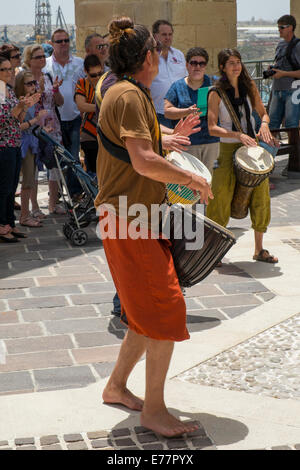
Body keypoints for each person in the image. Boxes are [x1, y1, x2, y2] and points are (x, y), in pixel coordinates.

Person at [95, 16, 212, 437]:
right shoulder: (127, 95)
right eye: (158, 53)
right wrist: (193, 178)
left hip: (134, 216)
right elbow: (142, 159)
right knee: (165, 310)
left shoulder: (123, 88)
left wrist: (168, 138)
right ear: (147, 57)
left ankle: (116, 387)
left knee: (143, 315)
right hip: (129, 219)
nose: (162, 59)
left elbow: (137, 141)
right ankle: (155, 411)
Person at [206, 48, 278, 264]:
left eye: (238, 62)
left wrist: (264, 125)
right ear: (222, 67)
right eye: (231, 63)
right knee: (220, 195)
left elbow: (263, 113)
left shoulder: (249, 87)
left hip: (251, 147)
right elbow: (211, 128)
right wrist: (237, 134)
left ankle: (259, 249)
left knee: (261, 195)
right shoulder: (215, 92)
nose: (236, 66)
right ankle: (213, 251)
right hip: (227, 148)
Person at [0, 55, 40, 243]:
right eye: (5, 69)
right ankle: (2, 226)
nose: (9, 73)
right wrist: (20, 108)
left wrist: (25, 106)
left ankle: (10, 223)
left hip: (14, 143)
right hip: (4, 145)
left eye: (10, 69)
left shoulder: (7, 90)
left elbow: (18, 119)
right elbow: (3, 120)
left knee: (10, 187)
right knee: (4, 187)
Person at [22, 44, 65, 215]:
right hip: (34, 127)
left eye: (43, 56)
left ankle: (53, 203)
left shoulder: (48, 76)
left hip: (52, 125)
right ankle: (35, 206)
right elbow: (24, 104)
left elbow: (59, 102)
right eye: (38, 57)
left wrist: (55, 90)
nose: (42, 60)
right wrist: (38, 90)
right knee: (32, 167)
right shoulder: (24, 78)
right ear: (29, 60)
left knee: (55, 166)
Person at [43, 28, 85, 199]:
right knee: (54, 160)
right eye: (59, 41)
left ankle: (74, 193)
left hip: (74, 117)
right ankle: (56, 194)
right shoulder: (45, 64)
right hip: (53, 120)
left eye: (66, 40)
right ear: (52, 44)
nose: (63, 44)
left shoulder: (80, 63)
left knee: (73, 157)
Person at [164, 47, 219, 174]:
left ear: (205, 66)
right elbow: (167, 111)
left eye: (201, 63)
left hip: (211, 142)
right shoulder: (177, 86)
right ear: (187, 65)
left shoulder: (214, 83)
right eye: (193, 63)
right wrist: (187, 111)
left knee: (209, 181)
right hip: (187, 143)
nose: (197, 67)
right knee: (190, 184)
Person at [14, 70, 50, 227]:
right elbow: (17, 126)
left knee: (30, 178)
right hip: (23, 143)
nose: (33, 86)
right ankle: (24, 216)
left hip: (32, 141)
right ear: (21, 85)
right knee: (27, 180)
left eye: (33, 83)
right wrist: (36, 119)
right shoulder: (20, 101)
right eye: (29, 83)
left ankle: (26, 213)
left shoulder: (31, 100)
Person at [150, 19, 187, 127]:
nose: (168, 37)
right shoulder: (150, 57)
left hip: (178, 111)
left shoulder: (179, 54)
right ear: (155, 36)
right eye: (164, 34)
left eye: (170, 34)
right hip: (158, 111)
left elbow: (185, 79)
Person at [268, 15, 300, 130]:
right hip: (277, 89)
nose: (279, 30)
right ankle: (272, 148)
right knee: (272, 125)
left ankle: (294, 148)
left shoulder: (298, 46)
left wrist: (284, 74)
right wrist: (273, 68)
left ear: (290, 28)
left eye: (282, 27)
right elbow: (281, 64)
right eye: (278, 27)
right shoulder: (280, 45)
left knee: (291, 126)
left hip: (293, 91)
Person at [75, 54, 102, 175]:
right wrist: (102, 107)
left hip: (105, 133)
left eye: (99, 74)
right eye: (93, 75)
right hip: (89, 134)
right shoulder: (82, 84)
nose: (97, 77)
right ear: (86, 71)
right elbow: (81, 106)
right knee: (93, 171)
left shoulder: (105, 83)